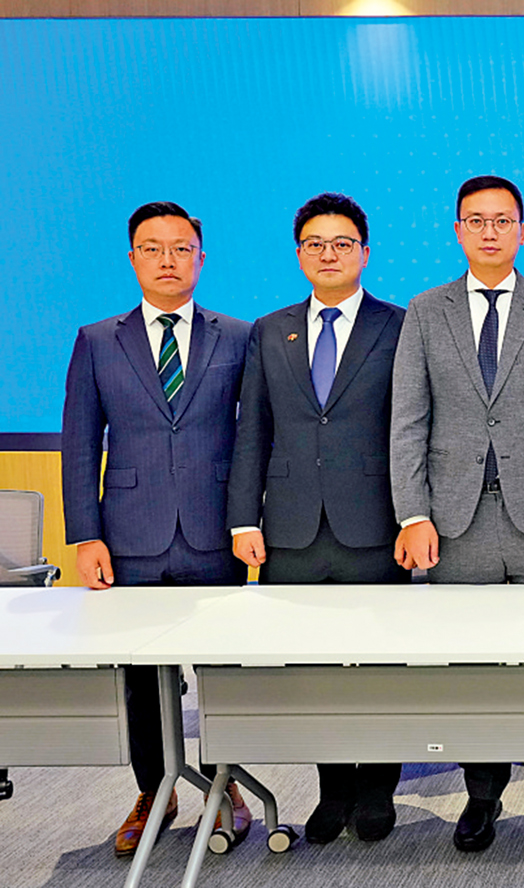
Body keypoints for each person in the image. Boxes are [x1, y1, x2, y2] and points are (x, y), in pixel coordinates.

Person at [389, 175, 524, 854]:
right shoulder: (426, 310)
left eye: (502, 220)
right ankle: (481, 795)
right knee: (471, 670)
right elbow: (408, 420)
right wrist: (413, 513)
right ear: (457, 231)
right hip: (456, 523)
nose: (489, 232)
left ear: (522, 231)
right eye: (476, 220)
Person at [61, 201, 252, 857]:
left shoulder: (237, 335)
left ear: (200, 258)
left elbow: (253, 436)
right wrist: (85, 534)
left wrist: (249, 519)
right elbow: (80, 443)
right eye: (153, 248)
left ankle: (226, 787)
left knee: (224, 670)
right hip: (130, 536)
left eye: (180, 248)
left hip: (214, 531)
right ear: (133, 258)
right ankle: (153, 791)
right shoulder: (96, 340)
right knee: (141, 677)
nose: (167, 260)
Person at [226, 192, 409, 844]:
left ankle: (378, 789)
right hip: (291, 528)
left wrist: (415, 517)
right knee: (312, 670)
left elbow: (413, 430)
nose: (329, 254)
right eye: (315, 244)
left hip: (375, 524)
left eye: (342, 243)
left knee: (381, 666)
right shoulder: (269, 330)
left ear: (365, 252)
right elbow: (253, 431)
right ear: (299, 254)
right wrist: (244, 520)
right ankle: (333, 790)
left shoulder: (399, 325)